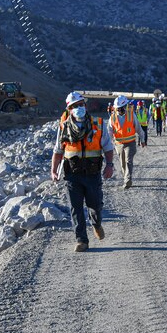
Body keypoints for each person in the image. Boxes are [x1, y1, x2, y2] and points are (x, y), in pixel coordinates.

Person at [51, 92, 114, 252]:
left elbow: (107, 147)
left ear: (85, 106)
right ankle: (81, 240)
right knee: (75, 208)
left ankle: (96, 224)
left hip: (92, 174)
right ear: (69, 109)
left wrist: (109, 165)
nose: (78, 108)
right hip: (72, 174)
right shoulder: (64, 126)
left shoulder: (98, 124)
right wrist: (54, 170)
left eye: (80, 104)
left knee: (95, 205)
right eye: (74, 106)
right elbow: (58, 150)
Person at [109, 95, 146, 190]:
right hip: (119, 144)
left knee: (128, 160)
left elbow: (138, 128)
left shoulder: (131, 115)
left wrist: (142, 140)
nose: (120, 110)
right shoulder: (112, 118)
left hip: (130, 143)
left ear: (125, 106)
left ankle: (128, 180)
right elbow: (109, 132)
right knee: (122, 163)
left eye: (121, 108)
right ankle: (126, 178)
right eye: (118, 109)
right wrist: (108, 145)